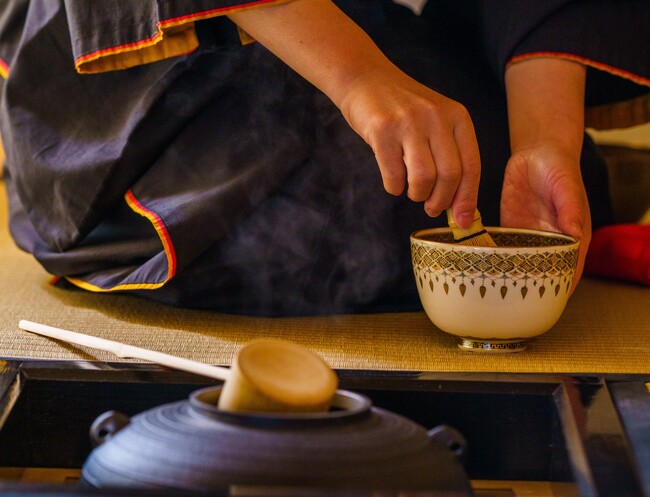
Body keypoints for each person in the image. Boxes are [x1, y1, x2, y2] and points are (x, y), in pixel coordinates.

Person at [0, 0, 648, 316]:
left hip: (407, 29)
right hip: (186, 45)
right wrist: (358, 76)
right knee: (328, 166)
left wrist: (546, 140)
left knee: (500, 167)